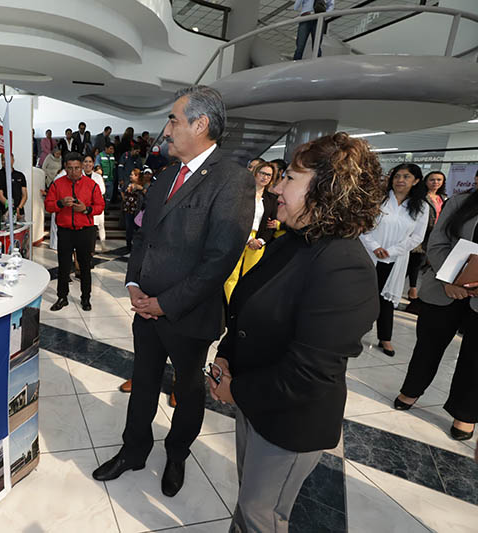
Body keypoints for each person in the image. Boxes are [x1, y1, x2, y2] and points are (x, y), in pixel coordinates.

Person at [209, 132, 383, 533]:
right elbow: (248, 309)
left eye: (289, 178)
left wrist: (236, 391)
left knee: (261, 514)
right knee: (249, 500)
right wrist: (226, 354)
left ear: (327, 190)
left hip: (288, 421)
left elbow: (309, 373)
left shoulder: (344, 266)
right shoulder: (293, 241)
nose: (277, 187)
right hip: (255, 398)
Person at [92, 86, 254, 498]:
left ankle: (177, 453)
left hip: (189, 315)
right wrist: (134, 285)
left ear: (200, 125)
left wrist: (165, 304)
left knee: (189, 389)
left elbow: (219, 260)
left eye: (173, 120)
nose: (166, 130)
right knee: (143, 382)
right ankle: (134, 451)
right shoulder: (165, 175)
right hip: (145, 310)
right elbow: (144, 239)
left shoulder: (233, 180)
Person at [394, 186, 478, 440]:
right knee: (428, 345)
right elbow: (438, 242)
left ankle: (465, 413)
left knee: (475, 359)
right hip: (445, 288)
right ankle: (412, 389)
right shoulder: (461, 202)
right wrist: (449, 280)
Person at [360, 163, 429, 356]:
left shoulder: (421, 207)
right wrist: (375, 247)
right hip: (369, 254)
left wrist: (391, 251)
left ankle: (385, 338)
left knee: (386, 299)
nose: (400, 180)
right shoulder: (377, 199)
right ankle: (354, 332)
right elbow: (362, 226)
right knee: (363, 296)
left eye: (406, 177)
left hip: (395, 259)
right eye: (397, 176)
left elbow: (417, 237)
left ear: (416, 181)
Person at [45, 152, 105, 311]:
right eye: (70, 168)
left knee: (85, 266)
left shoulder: (91, 185)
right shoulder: (57, 184)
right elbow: (48, 205)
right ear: (65, 167)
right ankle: (62, 297)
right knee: (63, 266)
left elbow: (100, 206)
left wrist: (86, 209)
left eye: (77, 168)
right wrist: (60, 203)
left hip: (85, 231)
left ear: (82, 167)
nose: (73, 172)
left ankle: (86, 298)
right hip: (65, 231)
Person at [223, 161, 279, 302]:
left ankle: (242, 306)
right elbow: (233, 218)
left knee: (251, 277)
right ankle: (230, 306)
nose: (265, 177)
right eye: (263, 173)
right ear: (255, 173)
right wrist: (248, 239)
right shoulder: (241, 194)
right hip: (239, 236)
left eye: (269, 175)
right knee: (231, 275)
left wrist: (261, 241)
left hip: (258, 241)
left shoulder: (272, 199)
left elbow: (270, 224)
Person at [407, 171, 447, 303]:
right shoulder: (421, 197)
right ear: (426, 181)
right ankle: (412, 290)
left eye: (439, 180)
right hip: (421, 233)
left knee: (423, 262)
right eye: (432, 179)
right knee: (416, 261)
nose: (436, 182)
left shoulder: (443, 198)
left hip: (436, 235)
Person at [0, 152, 28, 219]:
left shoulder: (20, 175)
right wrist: (12, 208)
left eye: (8, 159)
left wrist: (19, 208)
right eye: (3, 159)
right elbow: (0, 196)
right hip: (5, 213)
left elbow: (25, 195)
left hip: (19, 213)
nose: (5, 161)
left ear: (13, 160)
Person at [121, 168, 146, 252]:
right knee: (129, 228)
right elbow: (122, 191)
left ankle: (137, 245)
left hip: (137, 210)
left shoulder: (142, 185)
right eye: (131, 174)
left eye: (132, 175)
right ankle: (128, 246)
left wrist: (141, 188)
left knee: (137, 228)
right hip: (128, 210)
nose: (130, 176)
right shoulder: (128, 184)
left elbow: (147, 194)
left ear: (138, 176)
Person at [83, 154, 106, 243]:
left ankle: (103, 244)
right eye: (85, 161)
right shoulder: (79, 176)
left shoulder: (98, 177)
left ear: (93, 164)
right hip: (83, 205)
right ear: (82, 164)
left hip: (96, 205)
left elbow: (102, 190)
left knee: (100, 225)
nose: (88, 164)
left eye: (90, 162)